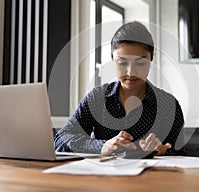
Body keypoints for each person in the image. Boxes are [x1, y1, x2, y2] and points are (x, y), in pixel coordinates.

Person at [54, 21, 185, 156]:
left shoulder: (169, 105)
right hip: (103, 175)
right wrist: (102, 146)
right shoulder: (97, 97)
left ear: (151, 59)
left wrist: (163, 151)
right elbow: (60, 140)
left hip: (151, 176)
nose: (130, 72)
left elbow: (181, 153)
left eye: (140, 63)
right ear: (112, 59)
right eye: (122, 62)